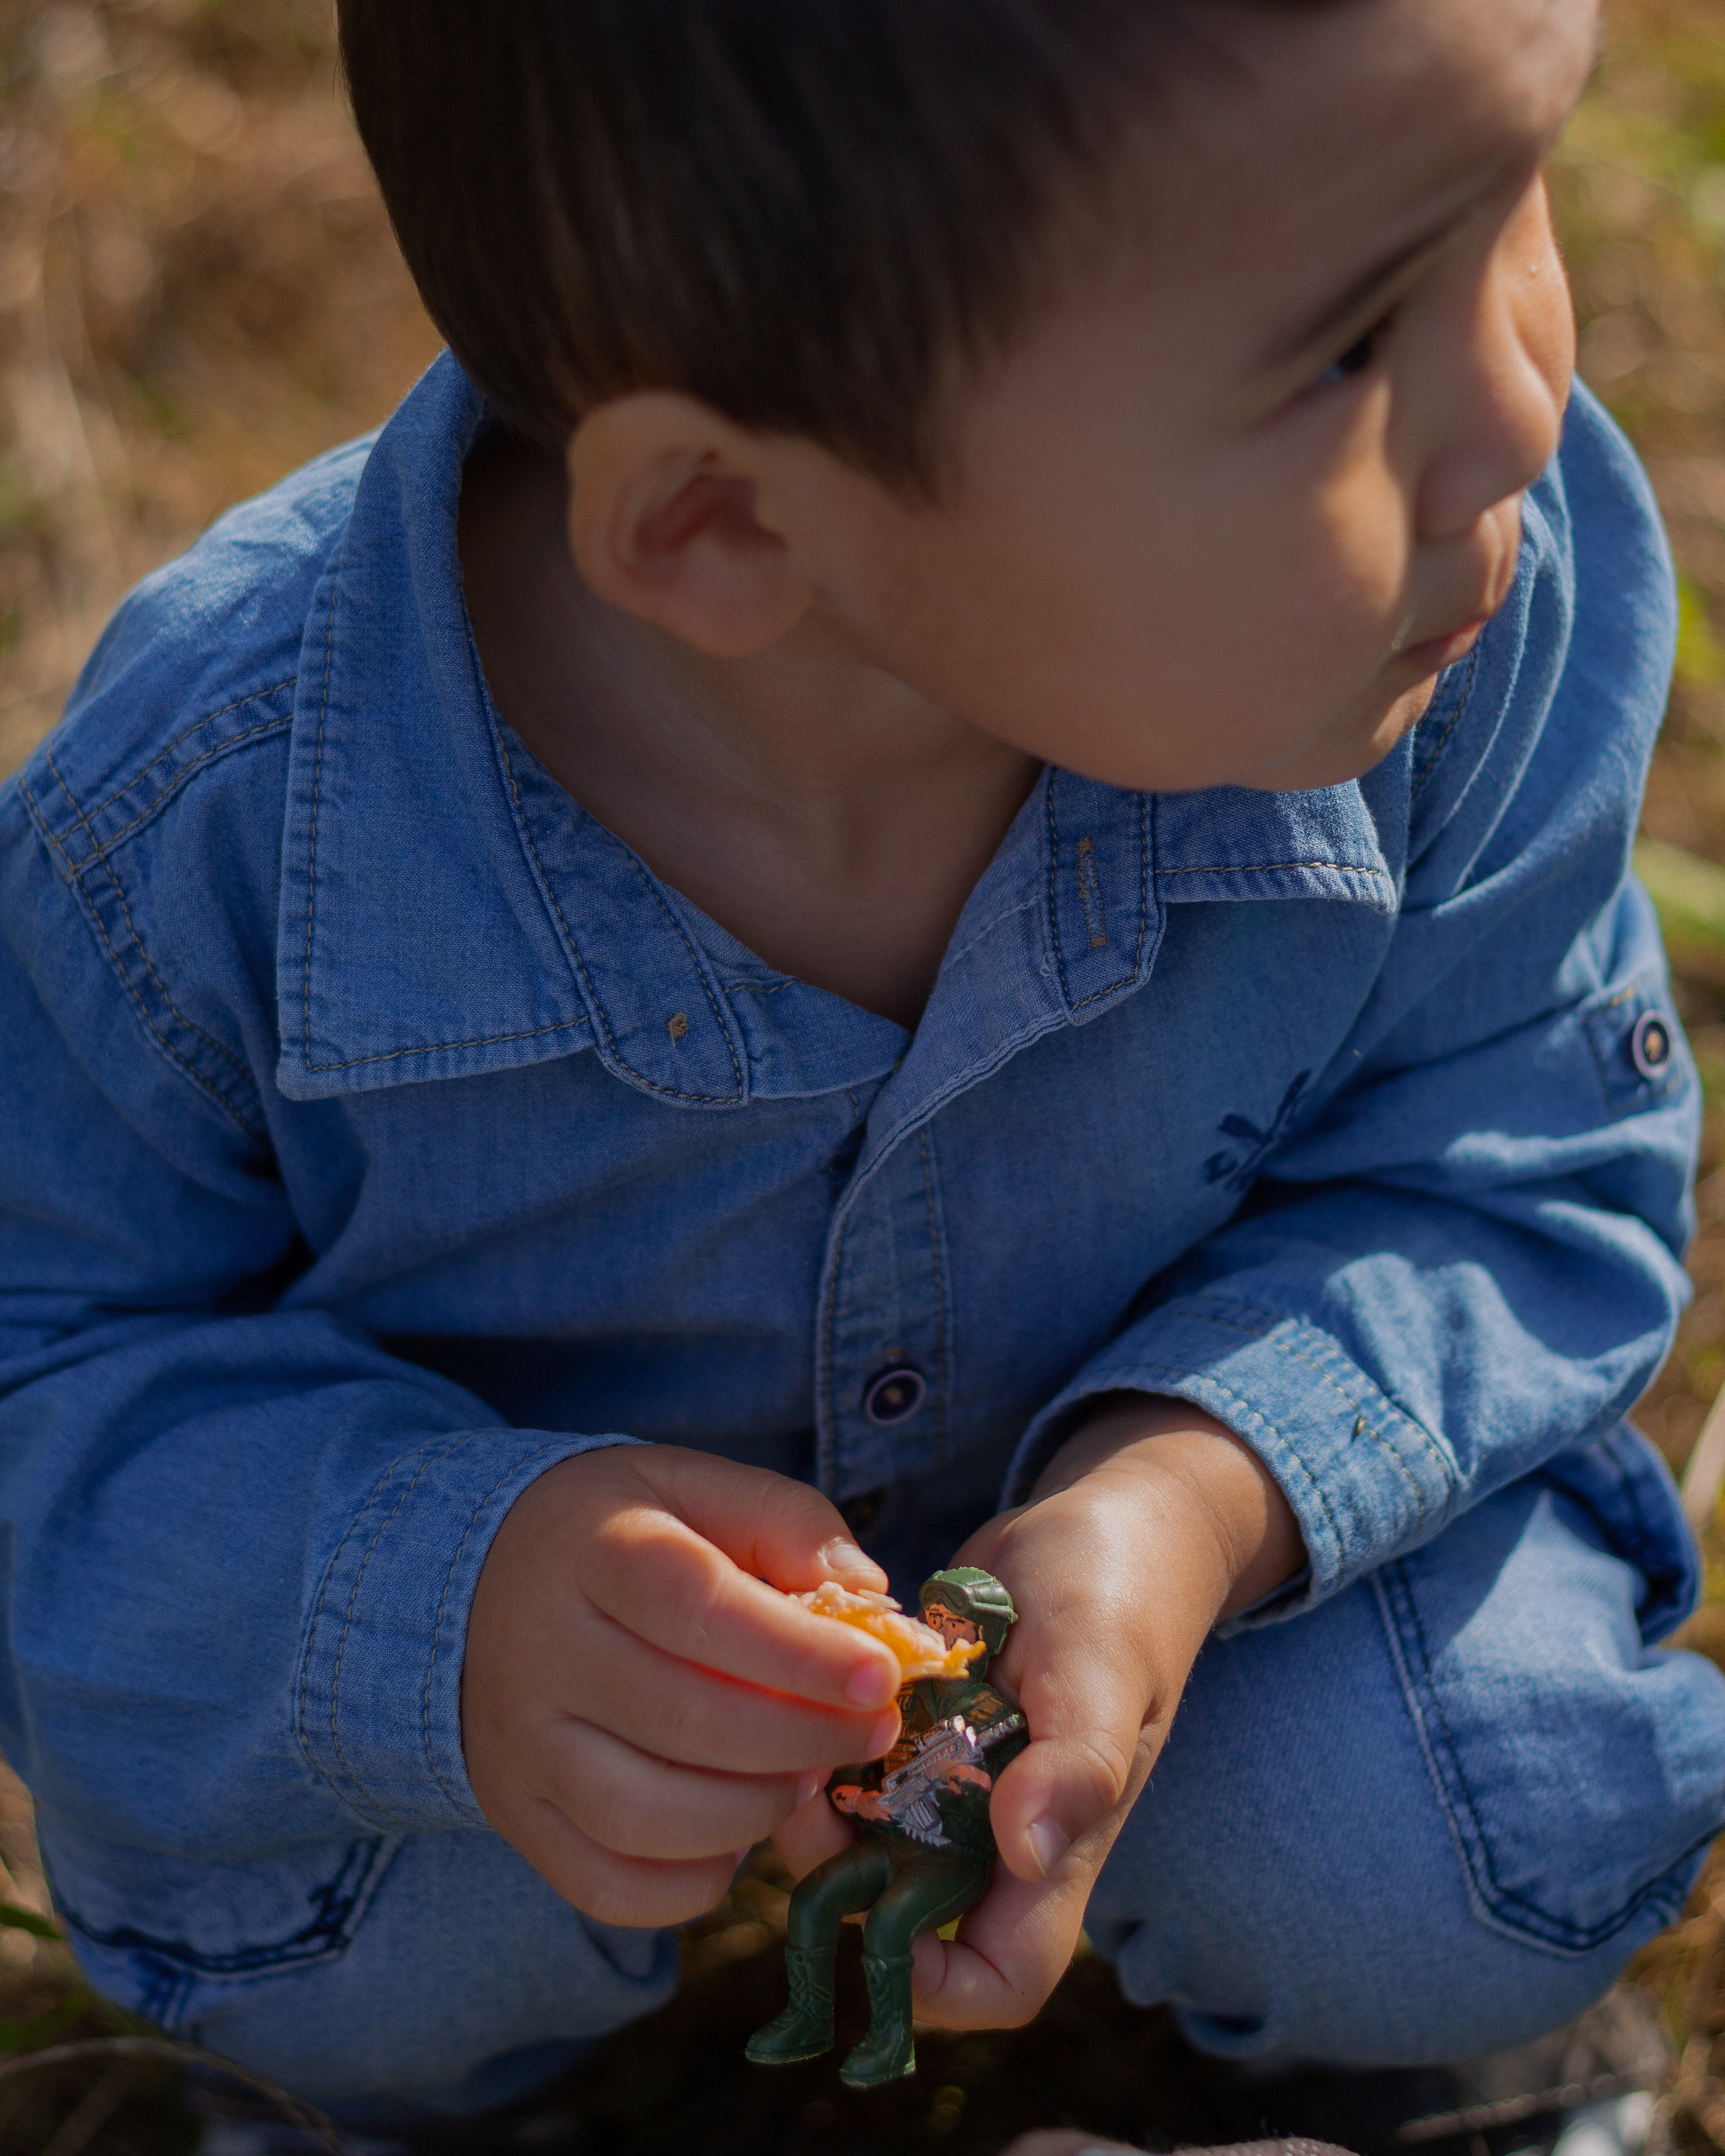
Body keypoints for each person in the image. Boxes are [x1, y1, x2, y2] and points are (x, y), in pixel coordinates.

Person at [1, 0, 1722, 2141]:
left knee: (1456, 1833)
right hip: (489, 1748)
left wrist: (1185, 1503)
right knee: (362, 1946)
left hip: (1244, 1615)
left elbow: (1512, 1162)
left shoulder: (1462, 596)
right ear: (720, 522)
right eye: (1340, 351)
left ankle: (1435, 2076)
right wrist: (443, 1606)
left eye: (1515, 193)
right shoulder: (216, 831)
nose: (1512, 407)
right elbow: (40, 1364)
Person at [747, 1567, 1028, 2085]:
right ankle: (809, 2019)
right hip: (888, 1836)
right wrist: (859, 1800)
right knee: (811, 1898)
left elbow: (1017, 1797)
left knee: (890, 1923)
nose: (938, 1631)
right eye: (933, 1618)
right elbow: (852, 1774)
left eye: (954, 1624)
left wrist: (966, 1780)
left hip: (953, 1854)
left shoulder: (996, 1716)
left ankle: (891, 2041)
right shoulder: (901, 1695)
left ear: (982, 1639)